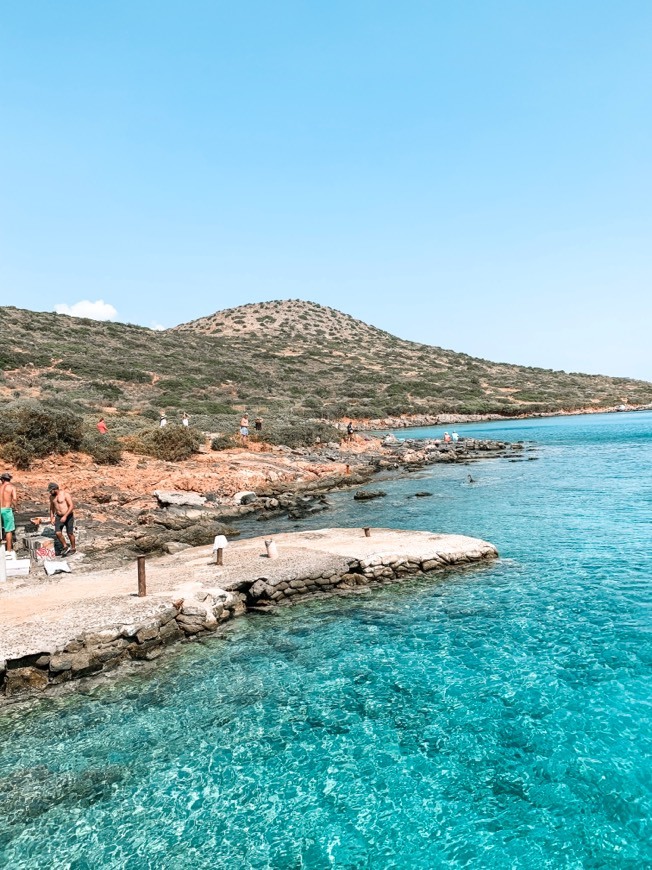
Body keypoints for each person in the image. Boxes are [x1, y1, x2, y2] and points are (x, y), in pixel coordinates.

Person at [48, 482, 76, 556]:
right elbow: (52, 508)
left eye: (51, 490)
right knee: (58, 532)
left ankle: (73, 548)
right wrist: (52, 517)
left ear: (55, 489)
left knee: (70, 533)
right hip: (58, 516)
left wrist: (65, 516)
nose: (50, 492)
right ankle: (65, 546)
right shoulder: (51, 497)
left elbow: (71, 506)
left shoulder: (65, 494)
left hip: (68, 516)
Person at [0, 472, 17, 553]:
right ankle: (8, 551)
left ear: (2, 479)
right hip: (6, 510)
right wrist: (16, 507)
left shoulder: (0, 487)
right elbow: (14, 499)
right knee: (8, 530)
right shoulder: (12, 487)